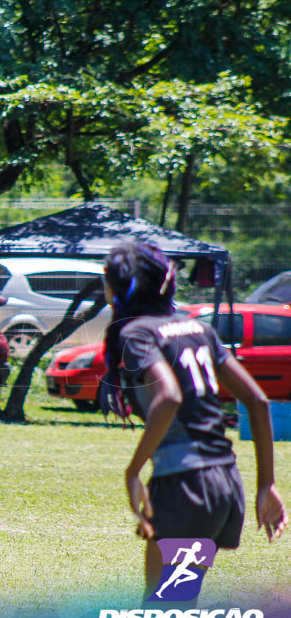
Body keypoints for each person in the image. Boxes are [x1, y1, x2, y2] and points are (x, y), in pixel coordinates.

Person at [101, 242, 287, 599]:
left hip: (185, 486)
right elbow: (258, 401)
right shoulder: (194, 329)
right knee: (173, 605)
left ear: (120, 286)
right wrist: (267, 485)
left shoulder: (137, 333)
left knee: (165, 609)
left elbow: (168, 396)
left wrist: (132, 471)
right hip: (222, 483)